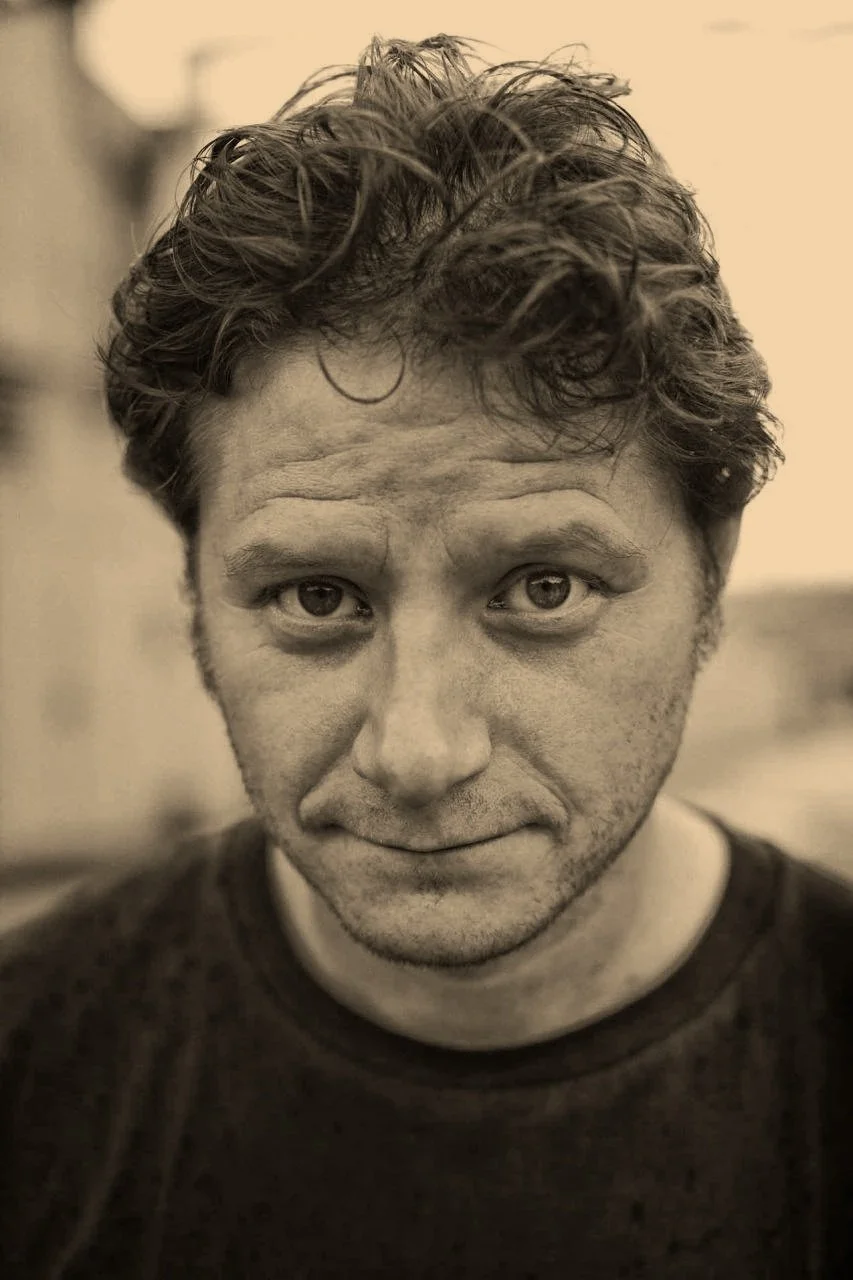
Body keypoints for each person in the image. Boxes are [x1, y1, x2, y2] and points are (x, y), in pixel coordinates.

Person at [1, 33, 851, 1279]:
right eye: (316, 595)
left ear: (710, 571)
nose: (419, 748)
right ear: (192, 589)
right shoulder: (30, 1060)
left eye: (541, 588)